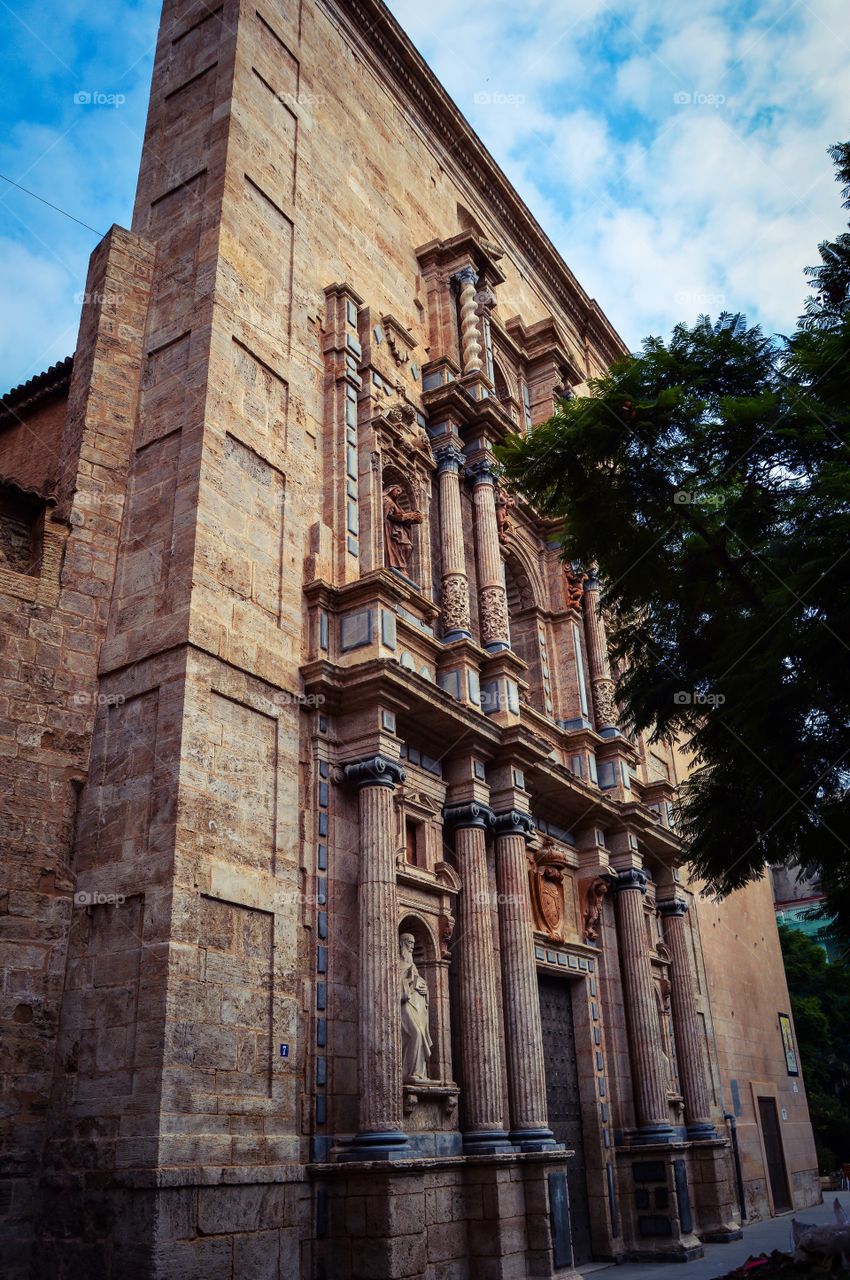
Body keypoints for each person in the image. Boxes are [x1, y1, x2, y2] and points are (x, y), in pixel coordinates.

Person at [399, 932, 432, 1081]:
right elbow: (394, 985)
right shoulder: (397, 964)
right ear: (401, 944)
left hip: (416, 1006)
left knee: (420, 1033)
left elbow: (420, 984)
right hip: (404, 1006)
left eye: (413, 943)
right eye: (408, 942)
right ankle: (409, 1072)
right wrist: (408, 983)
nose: (411, 946)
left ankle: (418, 1072)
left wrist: (425, 990)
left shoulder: (412, 965)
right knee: (416, 1034)